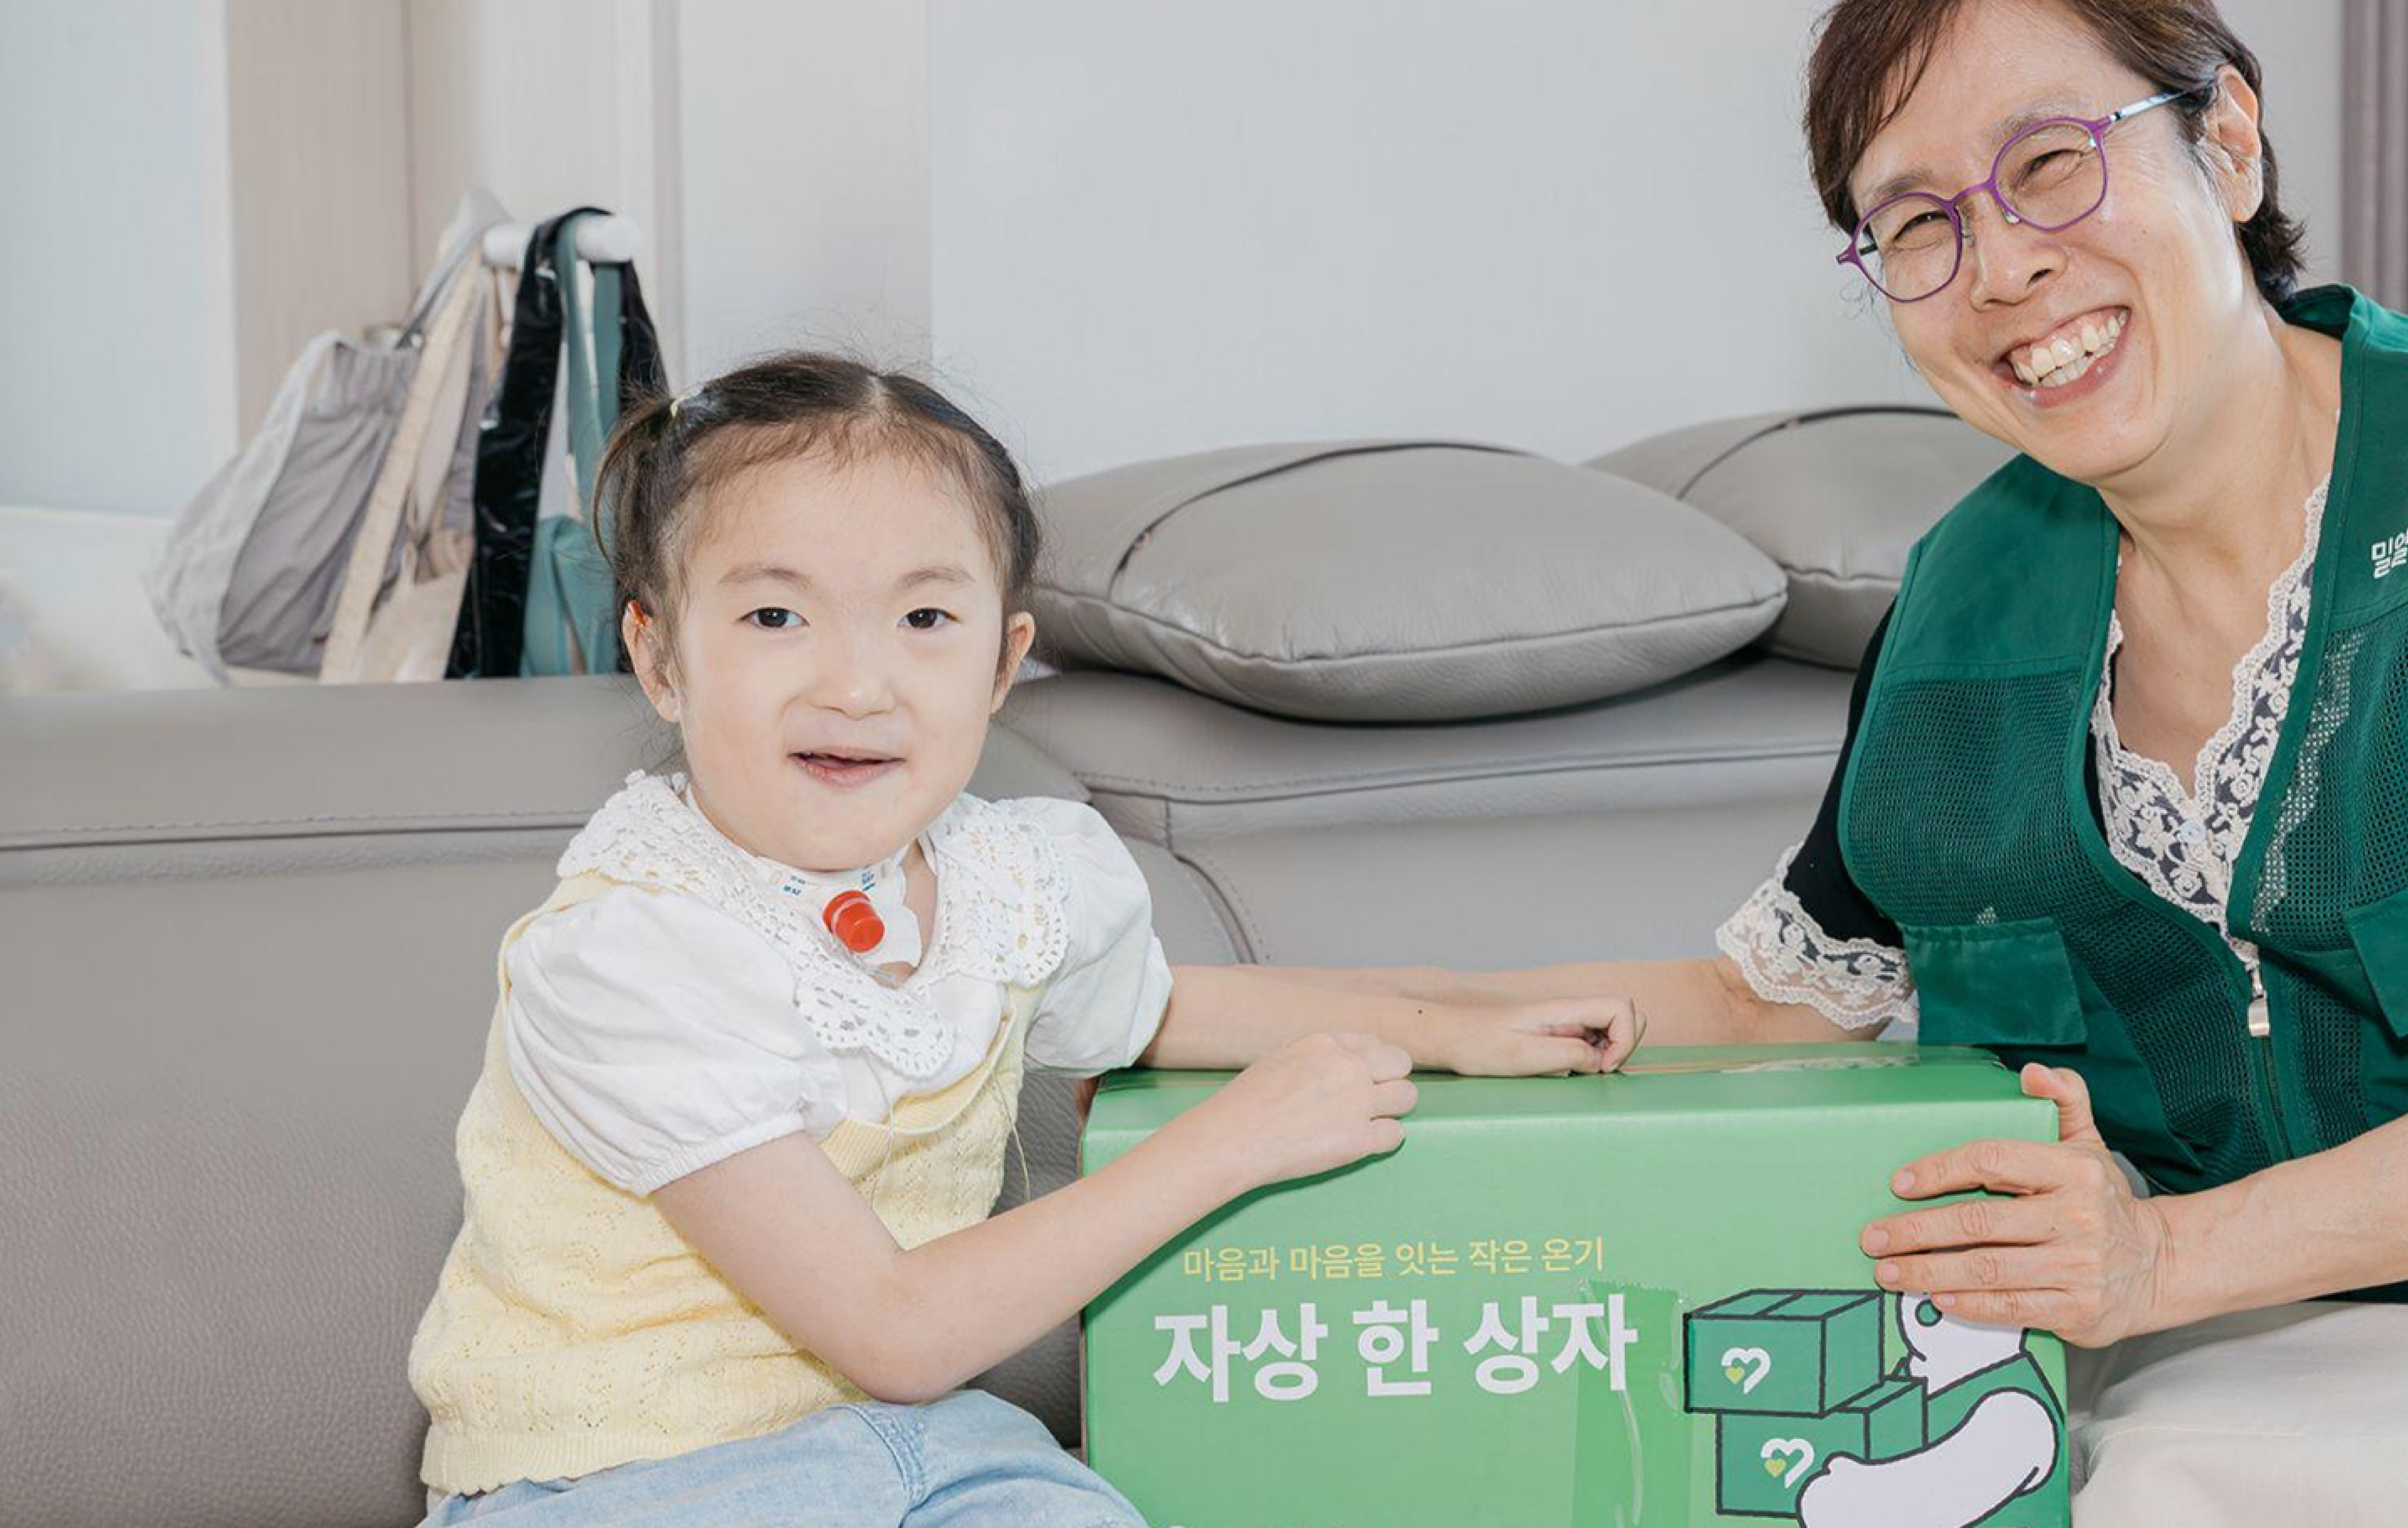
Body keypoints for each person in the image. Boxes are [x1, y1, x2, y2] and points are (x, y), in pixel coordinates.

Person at [1286, 1, 2408, 1519]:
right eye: (1917, 225)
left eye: (2052, 163)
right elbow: (1776, 1007)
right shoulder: (1973, 604)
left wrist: (2161, 1259)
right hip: (2334, 1346)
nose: (2003, 268)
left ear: (2232, 142)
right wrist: (1315, 1021)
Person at [402, 353, 1633, 1525]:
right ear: (661, 656)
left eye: (925, 616)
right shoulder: (630, 955)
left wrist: (1449, 1029)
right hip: (621, 1480)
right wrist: (1233, 1141)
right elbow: (894, 1329)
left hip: (941, 1452)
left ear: (1003, 663)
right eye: (777, 614)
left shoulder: (1010, 877)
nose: (858, 684)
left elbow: (1162, 1012)